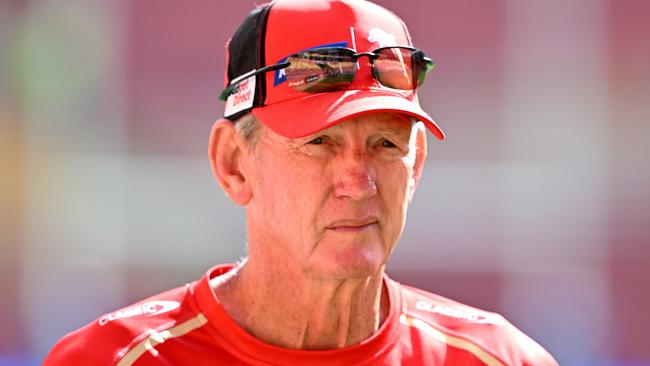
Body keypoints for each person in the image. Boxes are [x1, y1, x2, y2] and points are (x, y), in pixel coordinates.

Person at [44, 0, 558, 365]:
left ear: (416, 165)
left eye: (385, 145)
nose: (358, 182)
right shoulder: (109, 359)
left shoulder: (502, 359)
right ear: (234, 165)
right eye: (319, 143)